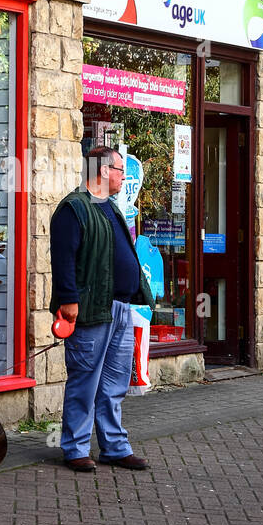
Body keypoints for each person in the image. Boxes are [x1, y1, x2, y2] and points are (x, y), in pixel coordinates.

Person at [50, 146, 155, 472]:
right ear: (103, 170)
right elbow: (63, 259)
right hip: (91, 310)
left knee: (114, 384)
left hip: (120, 308)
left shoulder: (109, 206)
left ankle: (114, 447)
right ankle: (75, 448)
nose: (124, 176)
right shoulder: (73, 208)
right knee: (85, 382)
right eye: (120, 170)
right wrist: (69, 301)